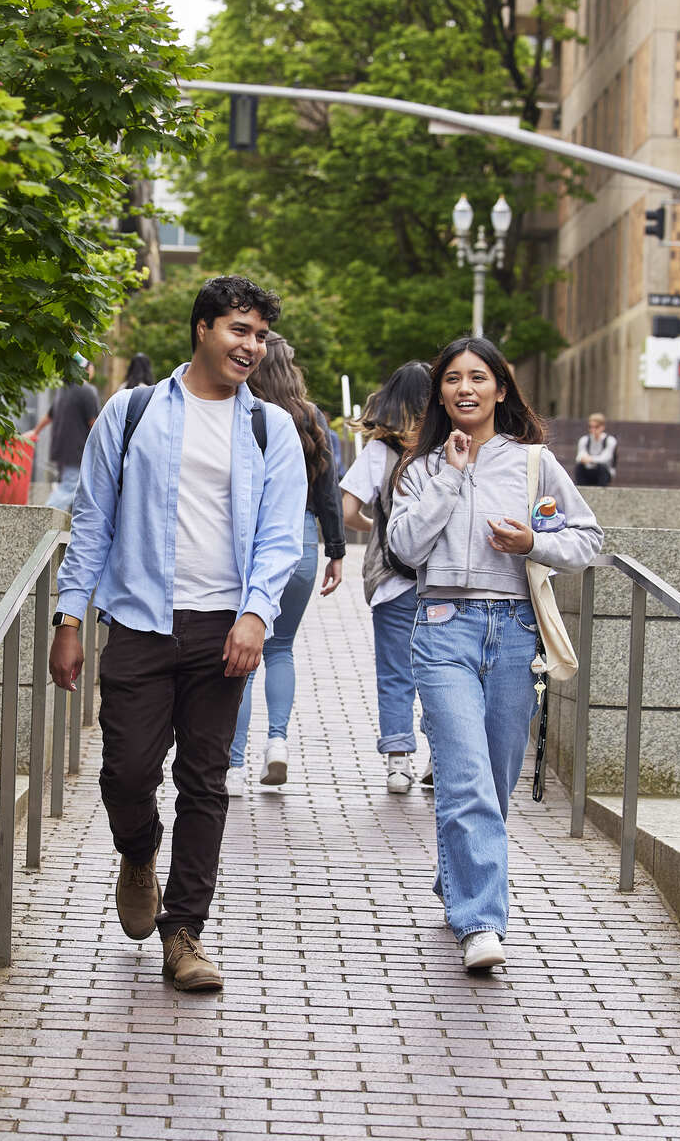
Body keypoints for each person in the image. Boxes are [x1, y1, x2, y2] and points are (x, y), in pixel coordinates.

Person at [50, 276, 306, 993]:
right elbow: (93, 521)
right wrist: (69, 618)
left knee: (205, 778)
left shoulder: (270, 428)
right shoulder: (131, 413)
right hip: (137, 620)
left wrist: (256, 613)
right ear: (201, 328)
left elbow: (282, 537)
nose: (251, 346)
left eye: (260, 335)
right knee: (125, 771)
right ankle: (138, 851)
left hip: (224, 629)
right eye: (238, 330)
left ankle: (184, 933)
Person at [386, 336, 602, 971]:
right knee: (466, 776)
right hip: (444, 625)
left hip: (513, 633)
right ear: (440, 394)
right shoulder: (422, 469)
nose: (465, 389)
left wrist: (533, 540)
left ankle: (456, 877)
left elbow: (588, 540)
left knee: (497, 782)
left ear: (500, 389)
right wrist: (450, 478)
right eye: (452, 379)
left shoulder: (534, 464)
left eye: (477, 377)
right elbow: (405, 548)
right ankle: (481, 922)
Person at [226, 335, 346, 797]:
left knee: (239, 660)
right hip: (301, 543)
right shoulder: (310, 417)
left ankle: (233, 767)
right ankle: (277, 743)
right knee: (280, 650)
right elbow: (328, 490)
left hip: (251, 542)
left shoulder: (242, 411)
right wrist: (335, 549)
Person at [338, 360, 432, 793]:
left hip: (393, 582)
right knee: (442, 671)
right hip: (443, 582)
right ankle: (440, 757)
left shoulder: (379, 451)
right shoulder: (450, 448)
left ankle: (399, 762)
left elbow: (346, 512)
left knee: (396, 672)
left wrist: (378, 526)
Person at [30, 359, 100, 513]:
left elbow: (50, 415)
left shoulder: (63, 389)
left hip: (61, 449)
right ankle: (41, 516)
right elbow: (94, 423)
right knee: (69, 487)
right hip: (77, 450)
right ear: (85, 369)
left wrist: (36, 431)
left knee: (74, 489)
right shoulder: (87, 390)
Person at [572, 412, 617, 487]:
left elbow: (606, 458)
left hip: (604, 473)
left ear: (602, 427)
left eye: (596, 427)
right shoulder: (585, 440)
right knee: (579, 467)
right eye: (591, 427)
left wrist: (590, 459)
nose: (593, 430)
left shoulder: (610, 440)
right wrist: (586, 459)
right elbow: (579, 456)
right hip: (588, 470)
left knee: (602, 468)